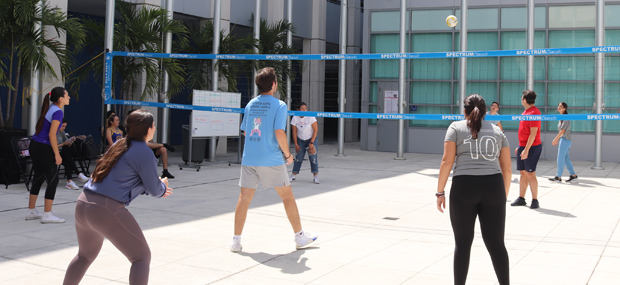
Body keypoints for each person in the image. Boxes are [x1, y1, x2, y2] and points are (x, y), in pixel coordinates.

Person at [63, 109, 172, 285]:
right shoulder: (144, 152)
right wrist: (162, 185)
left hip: (83, 203)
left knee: (84, 256)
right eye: (153, 125)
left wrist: (154, 185)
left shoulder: (119, 144)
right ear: (149, 130)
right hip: (105, 208)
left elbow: (124, 180)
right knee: (141, 257)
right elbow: (155, 190)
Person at [231, 67, 317, 252]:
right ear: (273, 84)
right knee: (287, 197)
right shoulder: (280, 105)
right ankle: (300, 237)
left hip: (249, 158)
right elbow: (279, 132)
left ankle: (236, 241)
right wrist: (288, 155)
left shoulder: (250, 104)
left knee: (244, 198)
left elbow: (246, 131)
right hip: (270, 158)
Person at [436, 94, 511, 285]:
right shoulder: (498, 132)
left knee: (462, 245)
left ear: (464, 111)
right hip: (493, 187)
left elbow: (447, 161)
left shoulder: (455, 127)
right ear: (486, 112)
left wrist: (440, 191)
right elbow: (507, 168)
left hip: (463, 188)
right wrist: (503, 196)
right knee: (497, 245)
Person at [26, 87, 71, 223]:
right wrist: (57, 155)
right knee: (53, 179)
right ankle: (47, 215)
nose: (69, 97)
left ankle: (31, 211)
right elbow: (52, 134)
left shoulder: (51, 107)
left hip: (35, 145)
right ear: (61, 99)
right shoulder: (57, 112)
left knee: (39, 177)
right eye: (67, 95)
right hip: (43, 148)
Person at [511, 89, 542, 209]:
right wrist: (520, 147)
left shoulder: (535, 112)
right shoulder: (525, 112)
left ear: (524, 100)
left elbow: (533, 134)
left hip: (532, 147)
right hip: (523, 145)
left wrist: (526, 150)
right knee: (523, 173)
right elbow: (525, 132)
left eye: (521, 98)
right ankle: (521, 198)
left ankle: (535, 200)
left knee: (530, 173)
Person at [124, 109, 176, 179]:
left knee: (162, 149)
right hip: (139, 153)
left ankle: (165, 171)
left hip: (145, 151)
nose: (154, 128)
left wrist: (161, 145)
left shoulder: (143, 129)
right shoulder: (131, 131)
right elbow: (145, 144)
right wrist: (164, 144)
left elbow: (151, 143)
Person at [290, 102, 320, 184]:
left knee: (313, 157)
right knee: (298, 157)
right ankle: (293, 174)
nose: (304, 110)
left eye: (305, 108)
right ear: (298, 110)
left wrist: (312, 142)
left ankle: (315, 176)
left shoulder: (310, 116)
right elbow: (294, 132)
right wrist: (296, 144)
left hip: (311, 138)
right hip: (300, 139)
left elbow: (316, 130)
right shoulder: (295, 117)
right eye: (302, 109)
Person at [549, 102, 578, 183]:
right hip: (565, 140)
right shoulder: (561, 117)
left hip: (565, 140)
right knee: (566, 159)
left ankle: (558, 177)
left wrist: (555, 139)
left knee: (560, 158)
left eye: (561, 106)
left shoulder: (566, 117)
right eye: (558, 106)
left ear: (565, 108)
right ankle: (573, 175)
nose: (559, 107)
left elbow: (563, 130)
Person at [57, 119, 89, 190]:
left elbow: (66, 142)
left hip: (62, 153)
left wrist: (70, 141)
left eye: (65, 126)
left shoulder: (62, 132)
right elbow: (52, 146)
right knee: (67, 156)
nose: (64, 128)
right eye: (63, 126)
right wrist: (63, 144)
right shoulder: (53, 133)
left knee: (67, 159)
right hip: (55, 152)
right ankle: (78, 174)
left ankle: (70, 181)